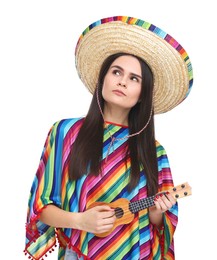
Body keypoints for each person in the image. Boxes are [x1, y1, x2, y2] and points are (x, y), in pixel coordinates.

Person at [24, 16, 193, 260]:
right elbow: (41, 207)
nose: (123, 81)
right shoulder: (65, 133)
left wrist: (158, 210)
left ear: (142, 94)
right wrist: (80, 221)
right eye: (117, 72)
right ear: (103, 78)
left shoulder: (154, 151)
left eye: (134, 78)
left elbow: (158, 224)